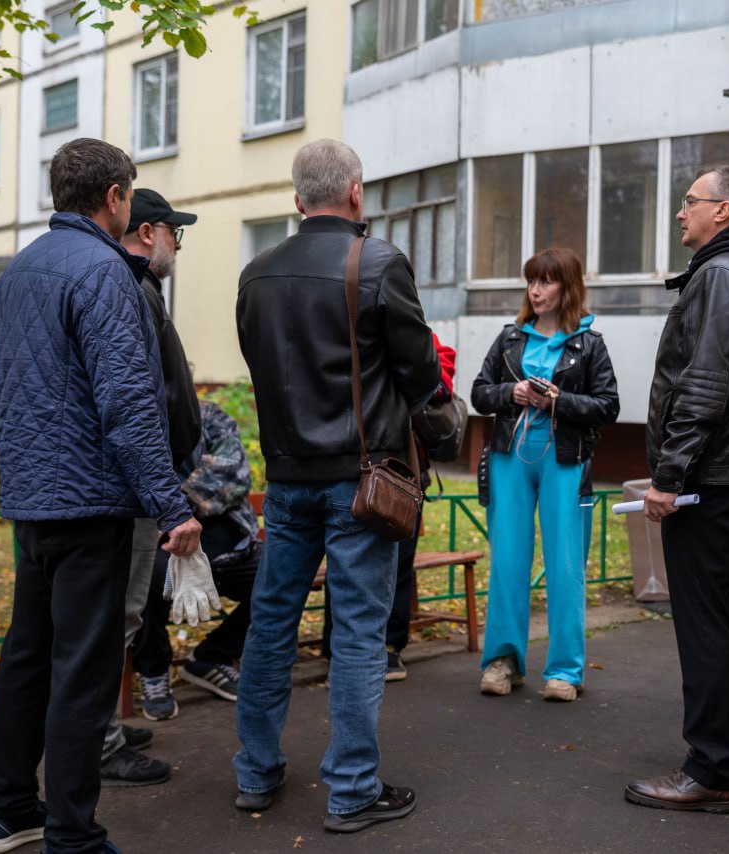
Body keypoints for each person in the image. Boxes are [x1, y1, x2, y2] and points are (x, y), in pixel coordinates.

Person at [0, 139, 201, 854]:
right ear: (113, 198)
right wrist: (173, 507)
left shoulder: (15, 274)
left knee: (28, 659)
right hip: (92, 504)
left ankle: (9, 810)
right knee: (82, 671)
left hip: (34, 502)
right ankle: (72, 837)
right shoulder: (103, 272)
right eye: (129, 194)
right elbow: (129, 407)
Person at [234, 138, 439, 833]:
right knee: (355, 633)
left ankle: (255, 774)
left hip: (287, 481)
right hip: (361, 483)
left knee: (269, 629)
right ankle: (351, 789)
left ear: (297, 201)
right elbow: (419, 376)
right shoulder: (377, 262)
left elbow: (262, 370)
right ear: (356, 192)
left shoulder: (255, 274)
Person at [625, 165, 729, 815]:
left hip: (710, 481)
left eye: (690, 202)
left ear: (724, 211)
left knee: (707, 623)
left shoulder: (721, 276)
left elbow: (705, 386)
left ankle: (711, 769)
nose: (680, 212)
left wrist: (668, 476)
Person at [470, 247, 619, 702]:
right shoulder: (510, 337)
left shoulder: (589, 343)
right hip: (508, 459)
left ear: (567, 287)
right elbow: (479, 393)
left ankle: (565, 671)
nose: (535, 290)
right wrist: (510, 392)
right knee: (508, 563)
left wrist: (558, 401)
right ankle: (502, 661)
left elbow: (608, 407)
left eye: (547, 281)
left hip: (566, 461)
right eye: (531, 281)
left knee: (565, 566)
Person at [93, 189, 202, 786]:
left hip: (140, 482)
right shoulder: (129, 290)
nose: (176, 247)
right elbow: (134, 401)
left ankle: (101, 725)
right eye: (173, 234)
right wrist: (163, 489)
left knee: (123, 615)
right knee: (121, 616)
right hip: (134, 486)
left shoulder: (138, 288)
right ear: (147, 232)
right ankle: (102, 741)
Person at [320, 330, 457, 682]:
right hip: (351, 463)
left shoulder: (419, 334)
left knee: (398, 561)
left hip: (403, 469)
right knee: (344, 559)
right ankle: (336, 646)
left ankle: (390, 648)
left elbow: (442, 382)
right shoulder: (344, 332)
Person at [133, 399, 261, 715]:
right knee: (142, 582)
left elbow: (233, 476)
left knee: (283, 581)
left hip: (232, 549)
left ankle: (212, 657)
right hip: (163, 550)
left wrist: (170, 508)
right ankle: (153, 671)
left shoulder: (209, 415)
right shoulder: (137, 420)